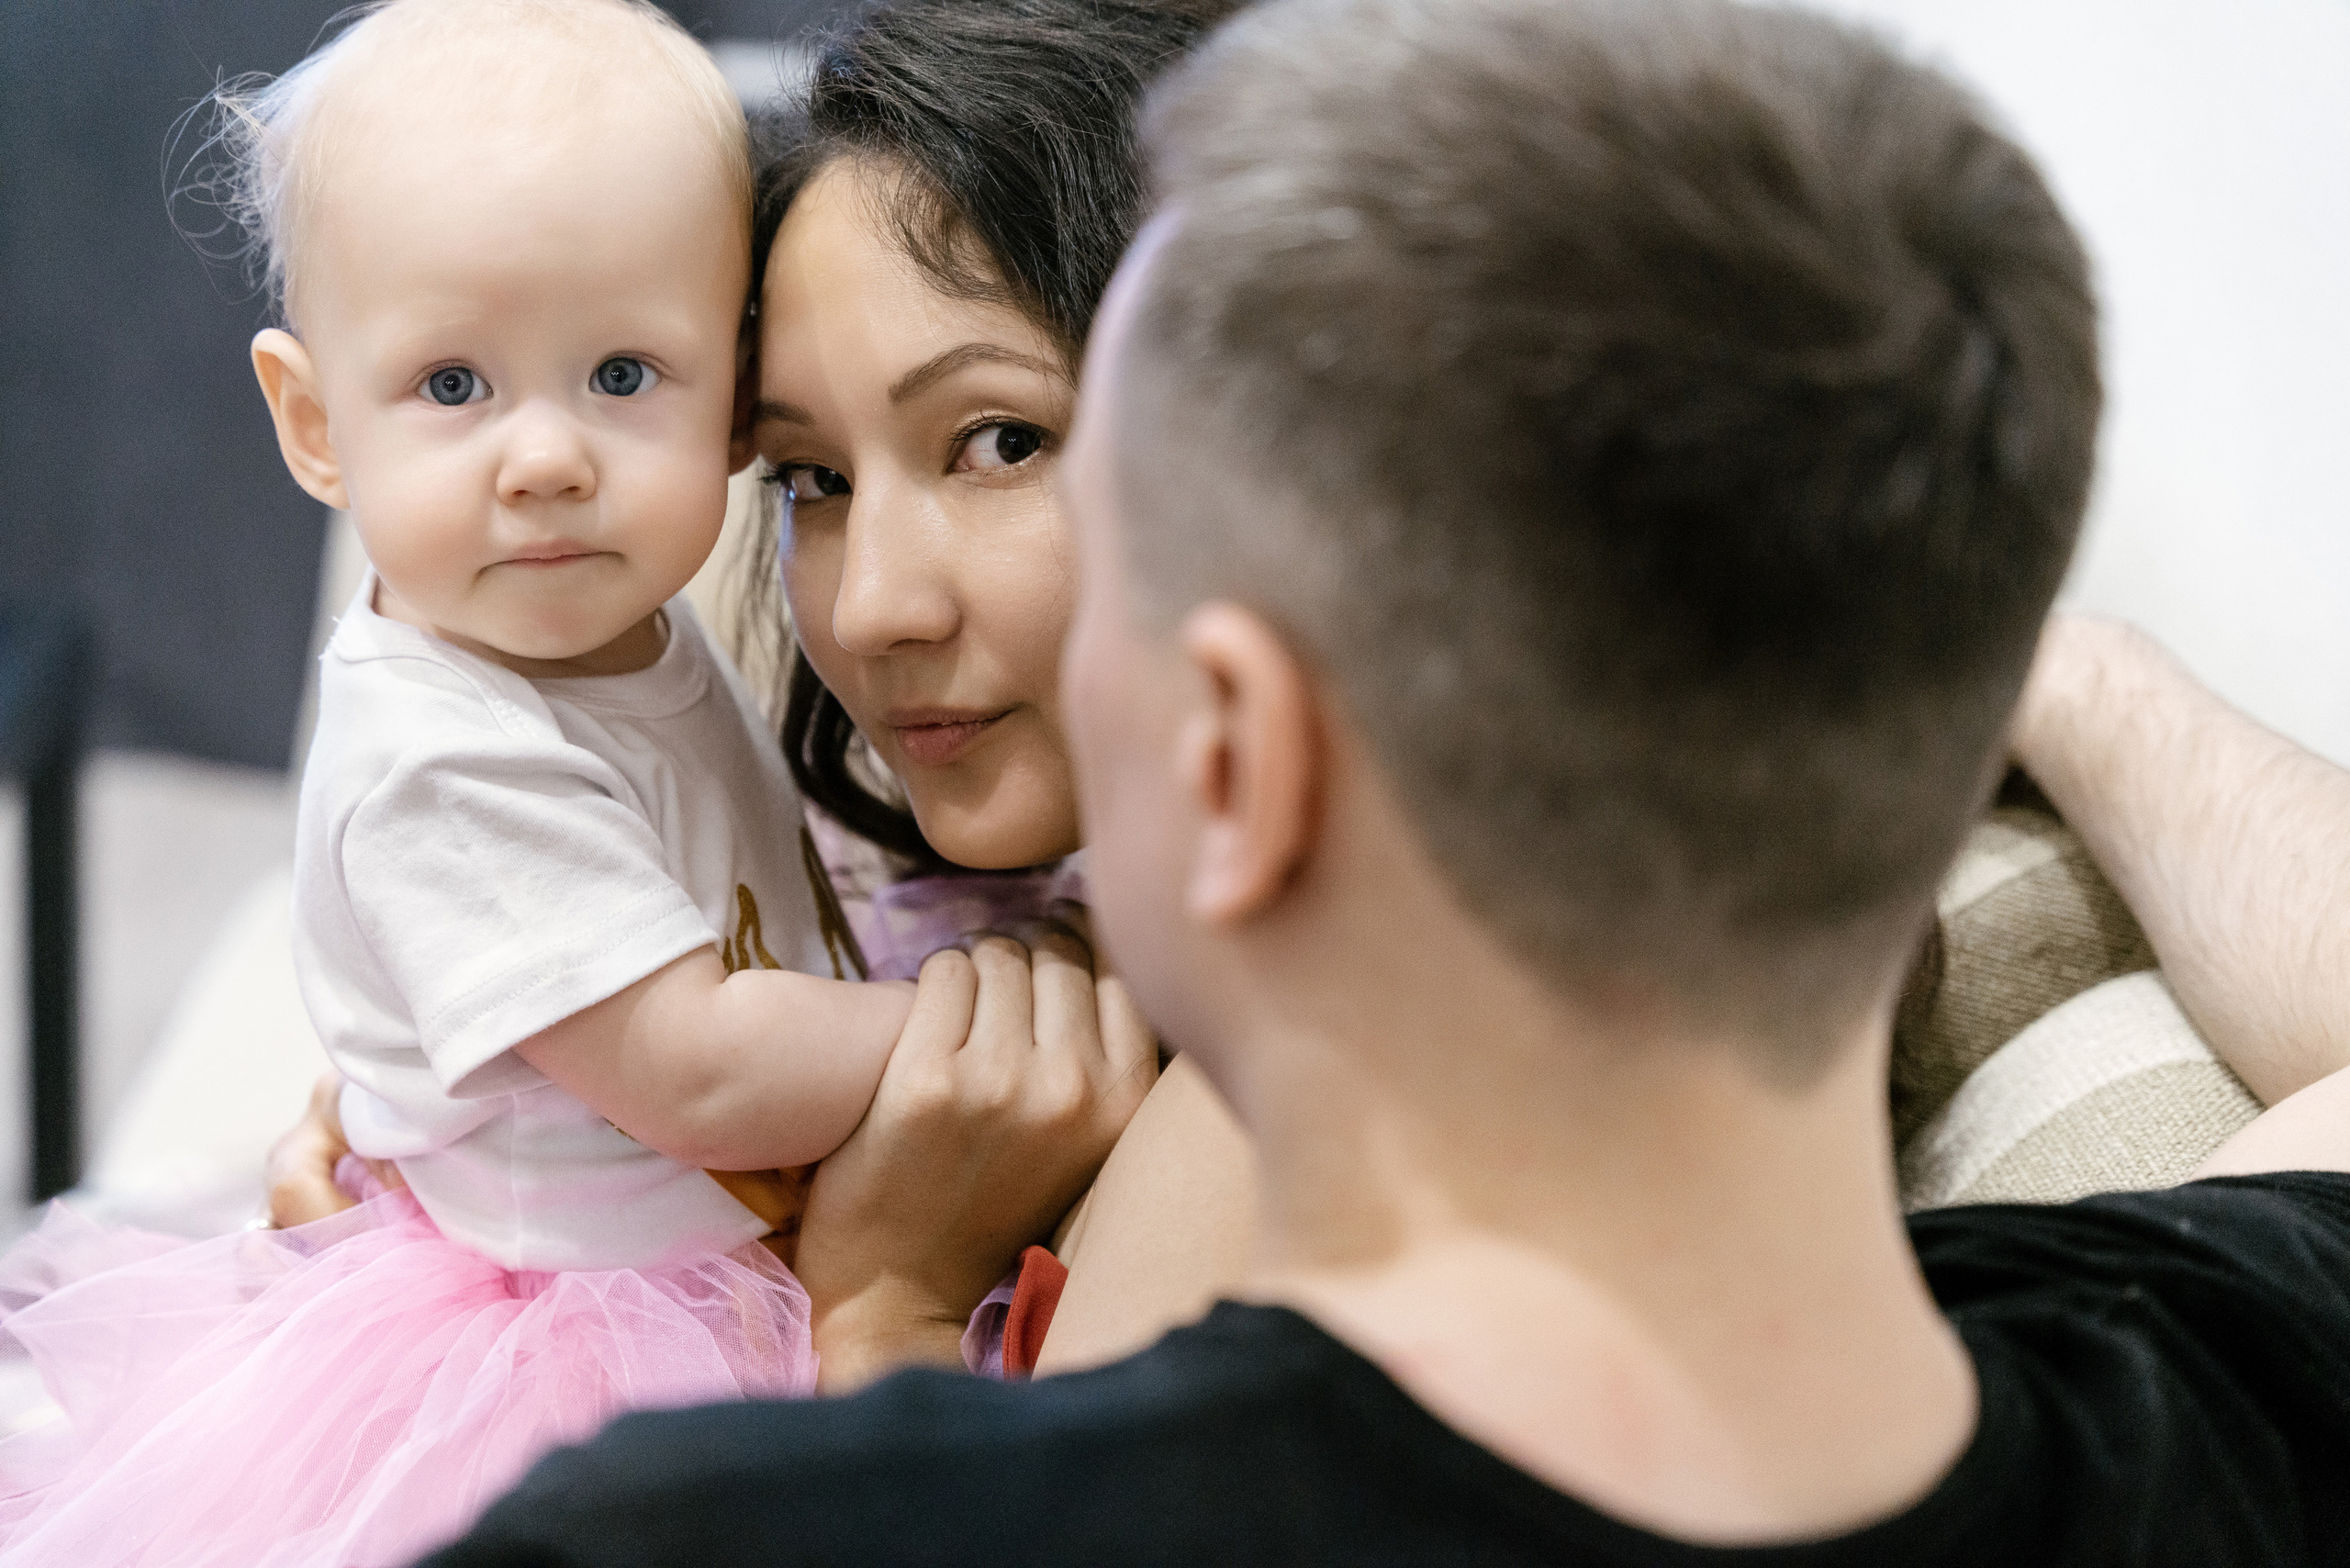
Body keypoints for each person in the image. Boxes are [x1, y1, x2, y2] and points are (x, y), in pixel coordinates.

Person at [425, 0, 2350, 1561]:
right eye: (814, 480)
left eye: (1025, 454)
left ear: (1242, 755)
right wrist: (2053, 668)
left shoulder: (684, 1535)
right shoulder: (2219, 1376)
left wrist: (881, 1320)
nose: (872, 603)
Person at [0, 3, 1146, 1563]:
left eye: (623, 372)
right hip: (580, 1328)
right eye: (454, 387)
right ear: (313, 423)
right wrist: (950, 1051)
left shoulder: (620, 633)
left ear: (719, 399)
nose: (544, 460)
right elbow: (694, 1057)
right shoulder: (443, 738)